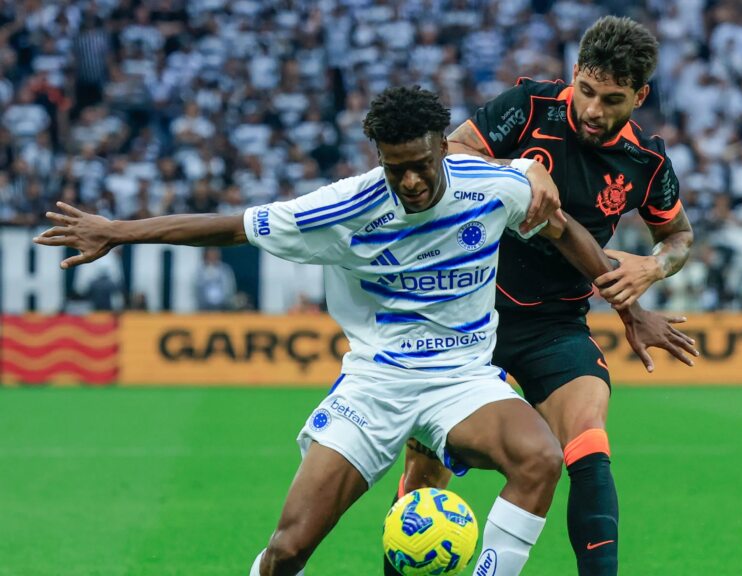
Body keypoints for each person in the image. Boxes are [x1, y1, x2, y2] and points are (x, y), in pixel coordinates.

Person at [33, 86, 690, 576]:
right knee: (290, 547)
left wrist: (628, 306)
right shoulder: (344, 207)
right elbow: (229, 225)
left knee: (541, 459)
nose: (409, 179)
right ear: (378, 157)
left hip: (462, 379)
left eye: (421, 164)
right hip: (375, 387)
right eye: (394, 165)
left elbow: (562, 226)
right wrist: (115, 232)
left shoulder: (488, 184)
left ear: (443, 151)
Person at [389, 17, 697, 576]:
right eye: (587, 91)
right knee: (427, 465)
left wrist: (654, 266)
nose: (594, 111)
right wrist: (519, 169)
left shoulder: (647, 163)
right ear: (574, 74)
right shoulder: (528, 107)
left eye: (613, 99)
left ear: (640, 96)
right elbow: (447, 157)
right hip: (467, 313)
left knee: (589, 440)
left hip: (555, 325)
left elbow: (678, 237)